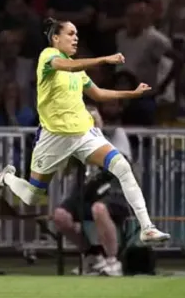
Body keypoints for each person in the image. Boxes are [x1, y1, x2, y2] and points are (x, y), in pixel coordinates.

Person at [0, 18, 170, 243]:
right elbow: (67, 65)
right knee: (33, 196)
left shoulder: (78, 71)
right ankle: (6, 178)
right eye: (70, 34)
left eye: (77, 34)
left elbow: (99, 94)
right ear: (56, 38)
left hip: (83, 133)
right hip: (53, 136)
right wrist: (104, 59)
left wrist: (131, 94)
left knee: (122, 166)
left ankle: (147, 227)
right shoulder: (49, 57)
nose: (75, 38)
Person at [53, 107, 133, 276]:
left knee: (99, 209)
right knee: (60, 216)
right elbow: (65, 170)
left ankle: (113, 261)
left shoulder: (116, 135)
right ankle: (93, 256)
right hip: (87, 192)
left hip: (115, 193)